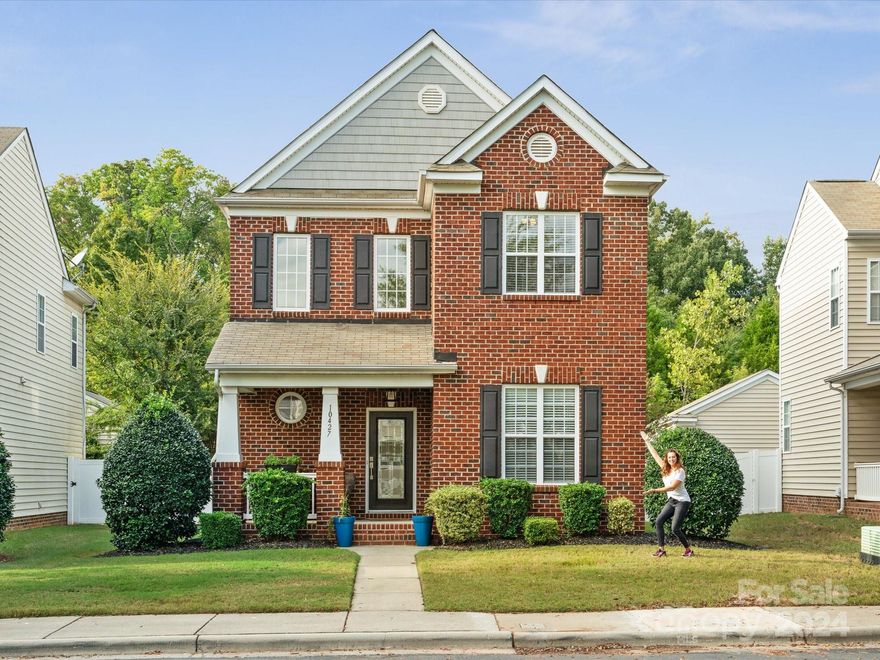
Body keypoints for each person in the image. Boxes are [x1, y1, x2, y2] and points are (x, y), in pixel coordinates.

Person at [641, 430, 694, 558]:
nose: (671, 459)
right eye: (669, 457)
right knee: (659, 522)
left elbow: (671, 487)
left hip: (682, 501)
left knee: (675, 528)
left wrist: (654, 490)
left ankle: (688, 550)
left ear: (677, 458)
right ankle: (661, 550)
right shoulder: (666, 468)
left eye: (673, 457)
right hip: (672, 501)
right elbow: (654, 455)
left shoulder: (680, 471)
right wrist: (647, 441)